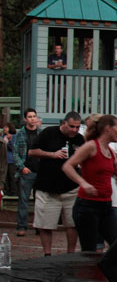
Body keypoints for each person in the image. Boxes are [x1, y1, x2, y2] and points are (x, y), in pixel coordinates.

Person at [62, 115, 117, 252]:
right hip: (87, 206)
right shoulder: (91, 146)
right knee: (90, 249)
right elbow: (67, 166)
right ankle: (88, 273)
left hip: (106, 206)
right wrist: (83, 183)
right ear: (108, 129)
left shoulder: (110, 152)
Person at [27, 112, 85, 255]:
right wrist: (52, 154)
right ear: (63, 123)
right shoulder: (49, 133)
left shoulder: (79, 139)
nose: (74, 130)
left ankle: (70, 254)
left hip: (71, 188)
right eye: (71, 126)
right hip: (47, 187)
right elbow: (32, 152)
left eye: (77, 127)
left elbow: (85, 160)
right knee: (45, 224)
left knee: (72, 224)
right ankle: (47, 254)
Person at [12, 109, 40, 237]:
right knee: (23, 201)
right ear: (25, 119)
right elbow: (15, 152)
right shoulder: (20, 134)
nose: (32, 119)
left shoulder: (41, 133)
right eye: (30, 117)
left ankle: (39, 226)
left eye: (34, 116)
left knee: (40, 201)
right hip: (26, 170)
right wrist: (22, 167)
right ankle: (21, 226)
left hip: (39, 171)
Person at [3, 123, 17, 197]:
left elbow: (13, 148)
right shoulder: (2, 137)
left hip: (12, 160)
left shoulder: (14, 137)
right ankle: (6, 191)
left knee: (12, 176)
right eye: (3, 127)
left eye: (6, 127)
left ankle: (13, 192)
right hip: (3, 161)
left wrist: (10, 140)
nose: (4, 129)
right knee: (5, 177)